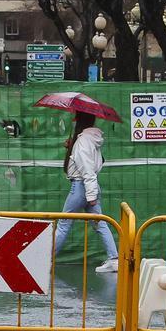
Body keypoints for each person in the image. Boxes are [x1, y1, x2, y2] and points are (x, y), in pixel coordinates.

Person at [53, 112, 119, 273]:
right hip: (89, 186)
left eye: (75, 119)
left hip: (82, 187)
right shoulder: (90, 139)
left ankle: (45, 260)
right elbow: (94, 163)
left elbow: (87, 170)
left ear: (79, 121)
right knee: (100, 224)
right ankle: (114, 259)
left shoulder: (82, 141)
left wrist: (91, 196)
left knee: (63, 224)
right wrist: (72, 148)